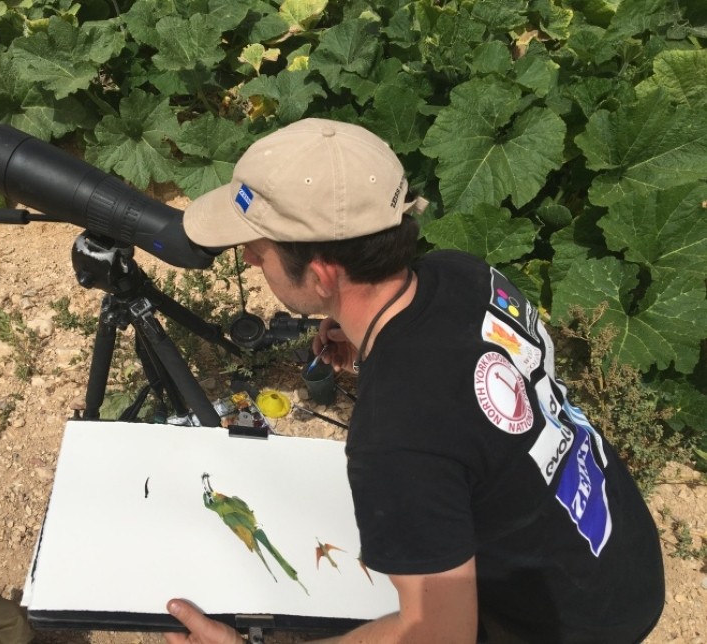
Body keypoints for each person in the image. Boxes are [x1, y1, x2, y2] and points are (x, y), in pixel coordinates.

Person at [166, 118, 665, 643]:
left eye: (259, 248)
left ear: (322, 275)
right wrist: (367, 339)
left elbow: (436, 635)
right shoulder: (461, 273)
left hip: (570, 624)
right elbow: (463, 380)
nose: (247, 256)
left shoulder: (396, 436)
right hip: (618, 548)